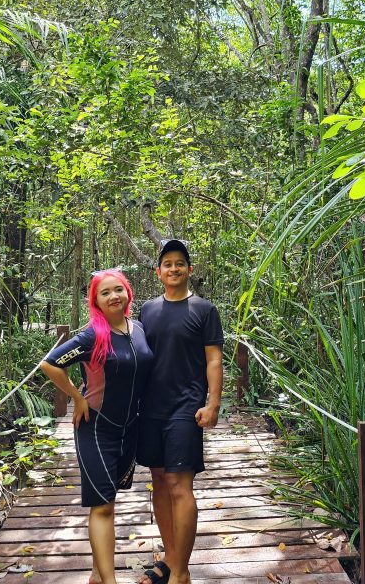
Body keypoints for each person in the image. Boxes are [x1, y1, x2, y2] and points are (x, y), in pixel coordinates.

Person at [40, 269, 153, 584]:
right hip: (96, 428)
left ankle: (96, 574)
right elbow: (50, 363)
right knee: (102, 506)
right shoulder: (93, 335)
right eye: (105, 292)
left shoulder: (140, 329)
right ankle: (109, 580)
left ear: (127, 293)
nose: (113, 296)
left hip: (129, 429)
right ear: (96, 301)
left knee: (109, 502)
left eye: (118, 289)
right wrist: (77, 397)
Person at [136, 239, 224, 584]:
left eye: (179, 263)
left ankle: (181, 573)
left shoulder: (204, 310)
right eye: (167, 264)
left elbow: (214, 359)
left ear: (190, 269)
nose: (173, 269)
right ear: (158, 272)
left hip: (186, 406)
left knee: (179, 484)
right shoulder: (147, 309)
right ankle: (171, 561)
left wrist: (213, 403)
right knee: (158, 480)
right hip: (150, 407)